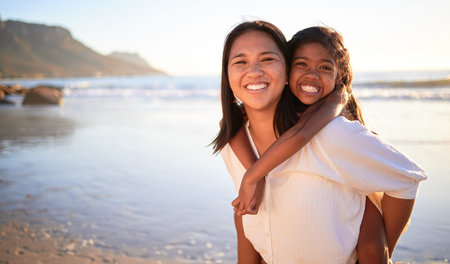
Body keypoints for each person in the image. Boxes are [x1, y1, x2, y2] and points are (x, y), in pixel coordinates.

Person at [212, 21, 427, 263]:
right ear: (226, 73)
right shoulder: (234, 139)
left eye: (267, 59)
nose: (254, 71)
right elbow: (250, 220)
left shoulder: (331, 135)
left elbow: (406, 178)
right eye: (240, 61)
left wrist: (379, 250)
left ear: (285, 72)